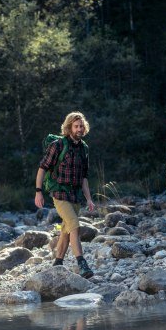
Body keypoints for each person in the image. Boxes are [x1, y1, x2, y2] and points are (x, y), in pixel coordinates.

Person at [34, 112, 95, 278]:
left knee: (66, 231)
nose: (80, 129)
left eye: (82, 126)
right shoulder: (58, 145)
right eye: (76, 126)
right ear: (69, 128)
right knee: (74, 224)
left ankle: (58, 262)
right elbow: (42, 168)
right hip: (59, 193)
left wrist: (89, 198)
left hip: (75, 195)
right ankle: (82, 263)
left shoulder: (84, 149)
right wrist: (38, 192)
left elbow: (84, 177)